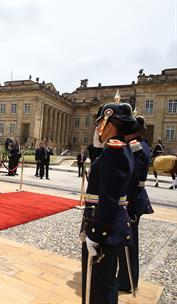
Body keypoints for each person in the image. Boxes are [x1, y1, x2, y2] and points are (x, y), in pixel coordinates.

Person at [80, 102, 136, 304]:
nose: (97, 129)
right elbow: (104, 173)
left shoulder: (114, 151)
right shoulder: (120, 148)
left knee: (98, 287)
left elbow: (109, 198)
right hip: (111, 223)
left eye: (99, 124)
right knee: (105, 282)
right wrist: (97, 148)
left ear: (108, 124)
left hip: (103, 225)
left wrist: (96, 233)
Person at [118, 116, 154, 294]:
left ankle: (127, 281)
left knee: (129, 243)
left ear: (131, 133)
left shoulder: (136, 148)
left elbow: (132, 178)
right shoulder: (141, 145)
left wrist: (124, 201)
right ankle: (126, 278)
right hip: (133, 200)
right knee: (127, 242)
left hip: (132, 201)